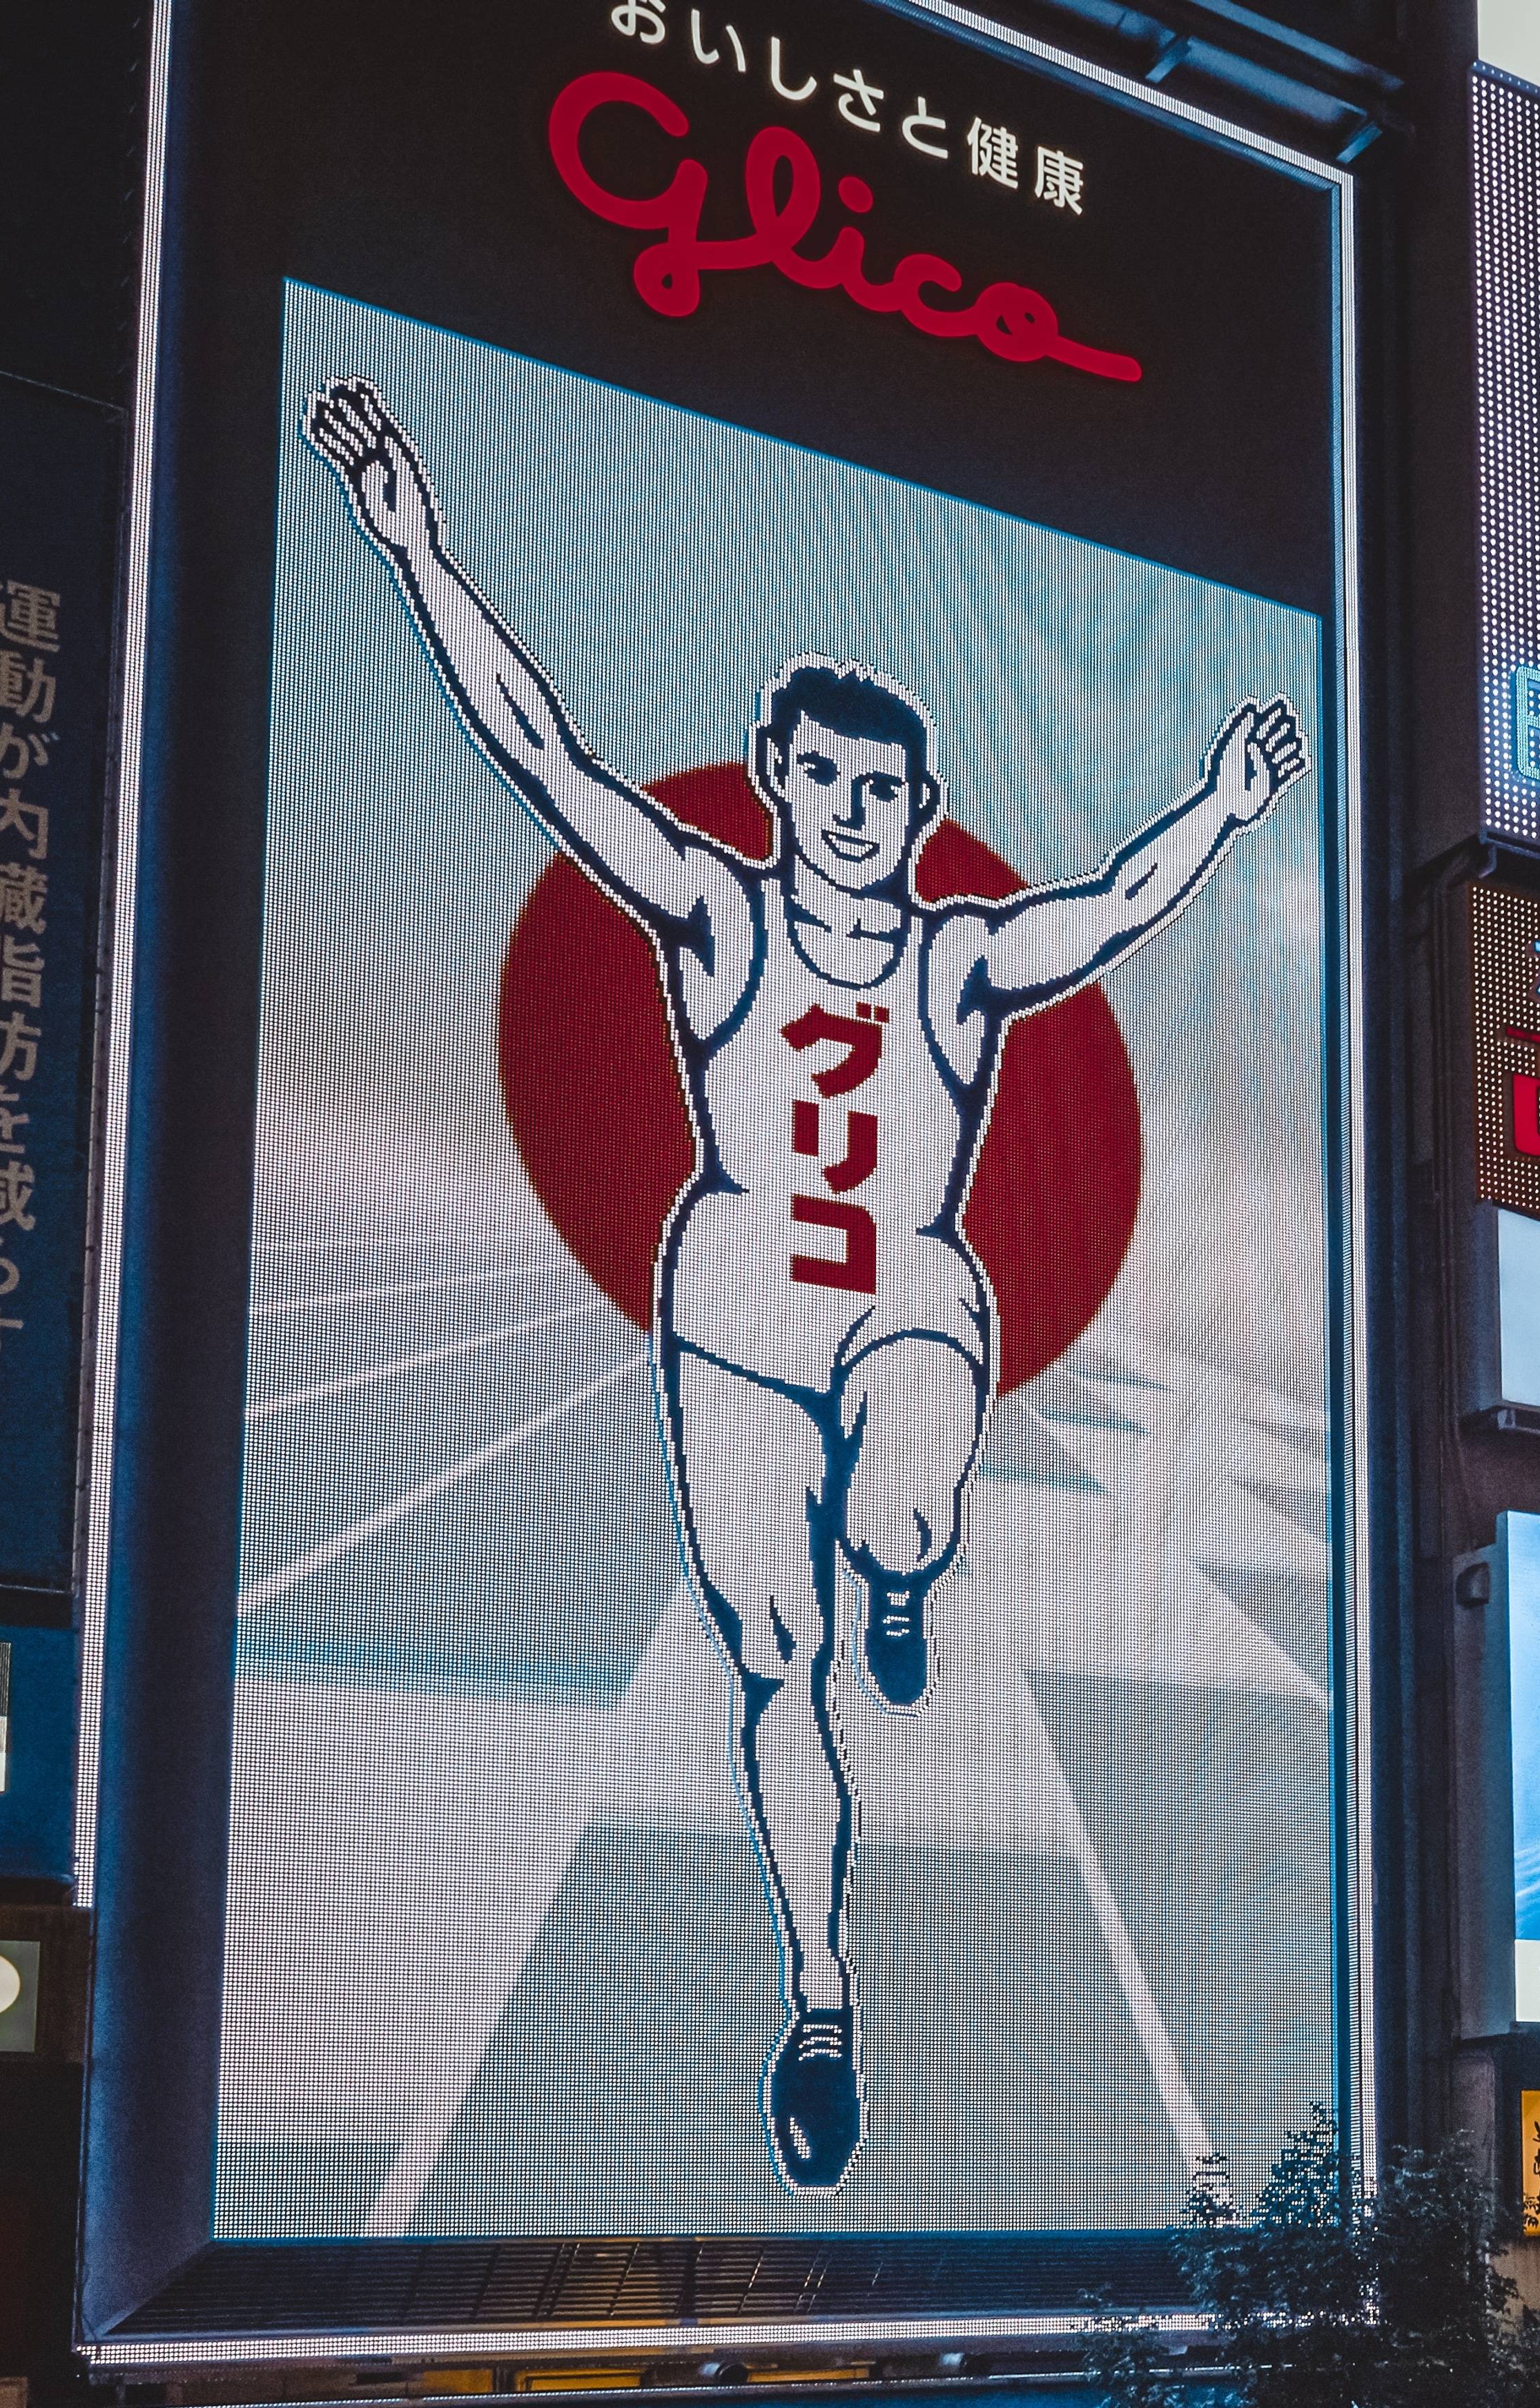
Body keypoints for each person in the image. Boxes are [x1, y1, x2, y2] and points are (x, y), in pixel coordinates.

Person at [302, 374, 1305, 2193]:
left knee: (907, 1512)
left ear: (925, 805)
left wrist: (1224, 811)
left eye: (885, 788)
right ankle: (821, 1989)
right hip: (738, 1313)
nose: (853, 810)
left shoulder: (962, 957)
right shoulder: (715, 911)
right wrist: (420, 554)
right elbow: (545, 757)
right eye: (825, 779)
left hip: (911, 1295)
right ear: (784, 782)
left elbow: (1117, 904)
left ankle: (910, 1564)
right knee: (777, 1657)